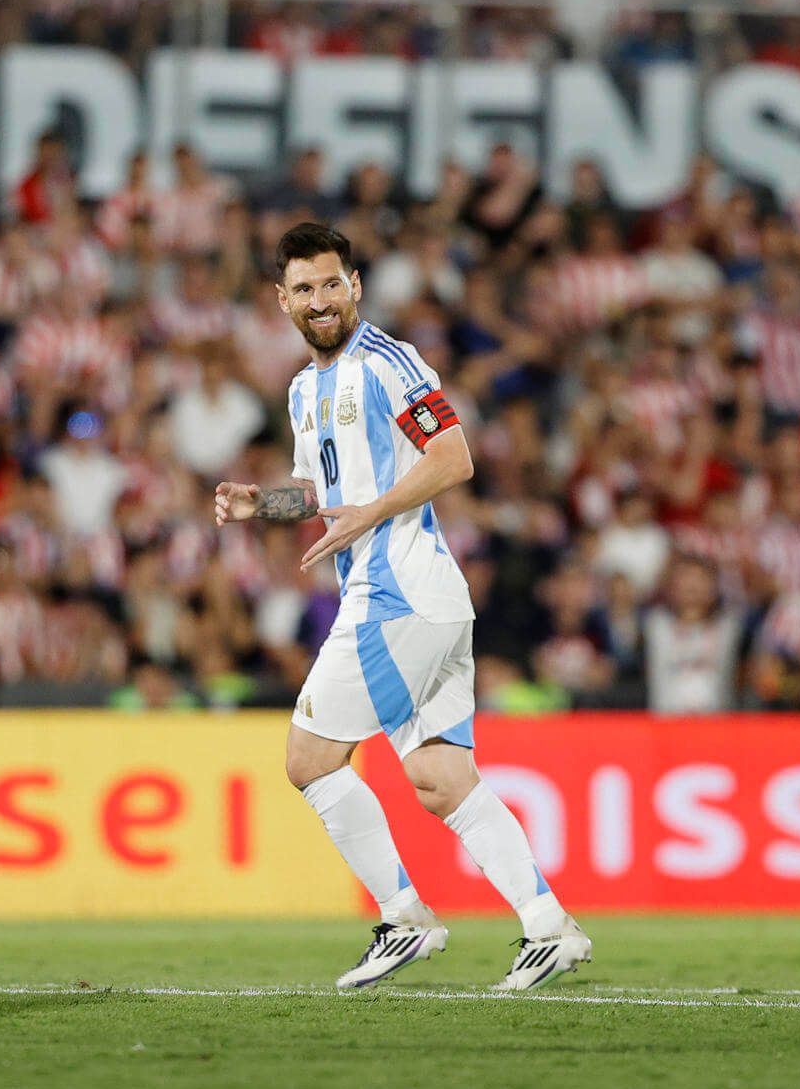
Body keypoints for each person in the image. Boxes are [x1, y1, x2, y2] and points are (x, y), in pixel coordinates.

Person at [213, 222, 591, 992]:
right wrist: (263, 505)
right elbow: (326, 493)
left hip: (399, 592)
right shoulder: (301, 390)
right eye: (304, 289)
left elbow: (455, 457)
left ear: (354, 285)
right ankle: (549, 927)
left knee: (308, 759)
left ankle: (404, 918)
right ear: (281, 300)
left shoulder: (388, 363)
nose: (320, 301)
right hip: (423, 599)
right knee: (439, 779)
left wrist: (373, 513)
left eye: (331, 284)